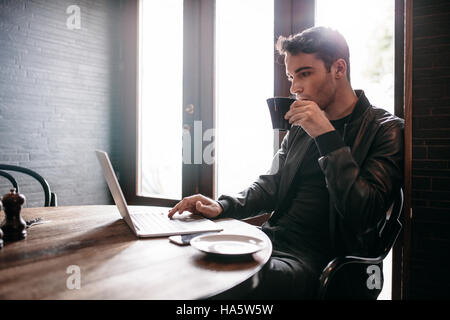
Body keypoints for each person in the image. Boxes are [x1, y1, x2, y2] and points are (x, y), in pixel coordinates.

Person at [168, 26, 404, 299]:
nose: (294, 88)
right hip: (271, 239)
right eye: (291, 77)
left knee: (223, 282)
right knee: (185, 254)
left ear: (338, 69)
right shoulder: (302, 126)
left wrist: (326, 135)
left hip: (324, 259)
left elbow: (363, 213)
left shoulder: (386, 130)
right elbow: (272, 184)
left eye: (304, 73)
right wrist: (221, 205)